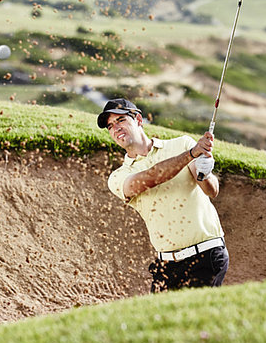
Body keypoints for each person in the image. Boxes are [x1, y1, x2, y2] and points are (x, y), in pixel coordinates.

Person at [97, 98, 229, 292]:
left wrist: (205, 173)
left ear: (139, 120)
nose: (115, 128)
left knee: (190, 319)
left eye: (121, 120)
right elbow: (152, 177)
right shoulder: (118, 177)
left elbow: (211, 191)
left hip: (206, 255)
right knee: (160, 320)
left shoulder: (182, 144)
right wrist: (191, 155)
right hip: (166, 265)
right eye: (110, 126)